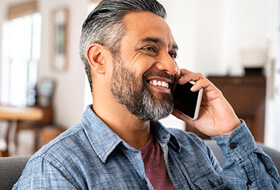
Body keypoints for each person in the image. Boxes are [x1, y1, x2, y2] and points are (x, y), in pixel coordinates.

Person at [13, 0, 280, 189]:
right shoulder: (57, 170)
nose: (172, 66)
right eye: (150, 49)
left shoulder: (193, 149)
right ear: (99, 59)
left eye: (172, 53)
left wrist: (228, 131)